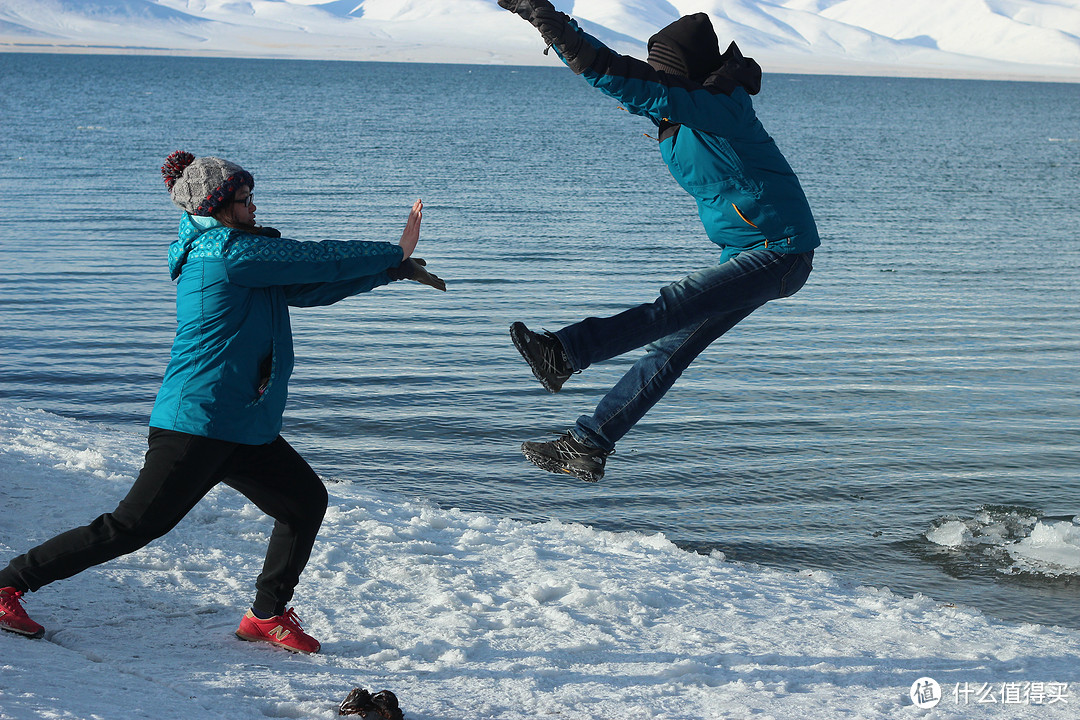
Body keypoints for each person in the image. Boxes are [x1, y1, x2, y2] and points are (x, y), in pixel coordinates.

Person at [0, 151, 445, 652]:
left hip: (242, 425)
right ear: (217, 206)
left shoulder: (242, 255)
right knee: (131, 527)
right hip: (198, 422)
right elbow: (313, 256)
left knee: (304, 502)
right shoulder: (226, 254)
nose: (254, 206)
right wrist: (392, 250)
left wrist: (392, 272)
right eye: (244, 199)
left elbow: (311, 286)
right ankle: (7, 584)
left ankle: (266, 615)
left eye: (252, 197)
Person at [498, 2, 819, 482]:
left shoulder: (717, 107)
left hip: (781, 250)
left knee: (673, 305)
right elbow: (623, 84)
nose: (656, 76)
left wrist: (545, 15)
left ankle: (564, 353)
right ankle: (587, 445)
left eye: (661, 69)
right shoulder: (692, 110)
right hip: (750, 253)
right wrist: (551, 27)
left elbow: (620, 76)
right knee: (669, 349)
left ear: (681, 69)